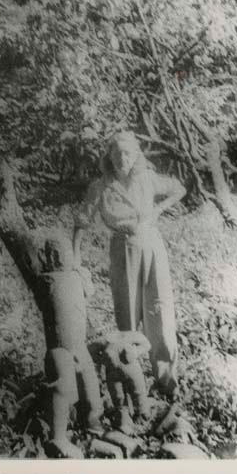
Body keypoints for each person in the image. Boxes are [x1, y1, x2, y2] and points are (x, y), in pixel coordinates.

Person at [73, 130, 186, 399]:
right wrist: (76, 260)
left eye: (127, 153)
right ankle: (131, 383)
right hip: (122, 252)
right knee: (127, 316)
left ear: (135, 156)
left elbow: (179, 188)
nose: (122, 158)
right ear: (109, 157)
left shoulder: (146, 179)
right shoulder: (100, 187)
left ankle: (166, 380)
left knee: (159, 310)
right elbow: (80, 222)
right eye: (117, 153)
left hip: (152, 247)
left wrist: (159, 210)